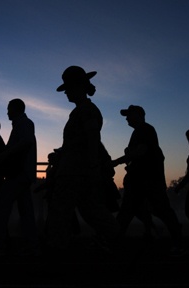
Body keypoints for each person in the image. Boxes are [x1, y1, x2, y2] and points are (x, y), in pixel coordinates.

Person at [45, 66, 119, 252]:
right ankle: (114, 240)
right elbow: (81, 141)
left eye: (68, 88)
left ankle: (56, 250)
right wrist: (62, 154)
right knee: (89, 210)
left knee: (63, 211)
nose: (66, 93)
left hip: (76, 172)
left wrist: (94, 167)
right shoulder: (81, 111)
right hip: (76, 170)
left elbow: (93, 139)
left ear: (78, 87)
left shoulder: (87, 110)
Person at [112, 105, 183, 254]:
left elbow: (140, 151)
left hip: (147, 179)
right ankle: (113, 241)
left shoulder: (145, 130)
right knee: (129, 210)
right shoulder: (141, 131)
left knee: (159, 210)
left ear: (139, 115)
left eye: (129, 115)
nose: (126, 118)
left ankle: (178, 241)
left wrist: (117, 161)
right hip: (141, 179)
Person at [0, 99, 40, 256]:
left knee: (1, 208)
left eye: (9, 109)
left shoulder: (24, 124)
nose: (7, 112)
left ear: (16, 109)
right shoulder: (22, 125)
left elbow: (26, 142)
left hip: (18, 174)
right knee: (26, 211)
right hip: (23, 174)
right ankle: (32, 244)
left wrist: (6, 154)